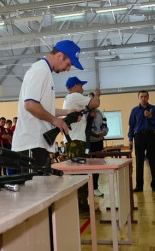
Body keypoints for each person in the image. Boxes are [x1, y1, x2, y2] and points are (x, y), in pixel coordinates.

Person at [11, 40, 84, 173]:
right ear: (60, 56)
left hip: (37, 144)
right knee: (34, 192)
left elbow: (43, 109)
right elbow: (30, 105)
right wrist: (56, 121)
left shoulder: (44, 71)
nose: (68, 69)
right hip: (31, 144)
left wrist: (68, 112)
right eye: (68, 64)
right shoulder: (40, 70)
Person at [62, 76, 100, 211]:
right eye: (81, 85)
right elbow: (95, 103)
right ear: (75, 87)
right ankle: (81, 207)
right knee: (78, 175)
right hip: (75, 142)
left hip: (75, 141)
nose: (82, 88)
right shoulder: (74, 97)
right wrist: (96, 95)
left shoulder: (72, 99)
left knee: (78, 175)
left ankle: (81, 206)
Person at [128, 90, 155, 193]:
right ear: (138, 98)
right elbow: (131, 126)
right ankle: (139, 186)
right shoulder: (134, 110)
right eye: (141, 96)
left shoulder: (154, 109)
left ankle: (154, 185)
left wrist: (150, 117)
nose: (143, 98)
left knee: (153, 161)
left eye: (145, 96)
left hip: (150, 136)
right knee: (139, 162)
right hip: (138, 136)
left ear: (148, 97)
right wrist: (130, 139)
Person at [86, 107, 108, 197]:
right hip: (87, 143)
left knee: (97, 165)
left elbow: (105, 127)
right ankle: (86, 188)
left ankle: (95, 188)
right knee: (87, 165)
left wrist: (103, 132)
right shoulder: (85, 113)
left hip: (98, 142)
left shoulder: (101, 114)